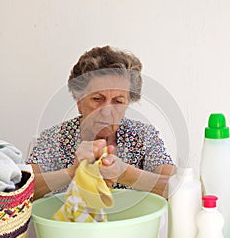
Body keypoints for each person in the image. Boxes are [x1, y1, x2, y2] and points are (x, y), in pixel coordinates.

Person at [27, 46, 175, 200]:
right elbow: (18, 190)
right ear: (79, 101)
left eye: (118, 101)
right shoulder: (55, 138)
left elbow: (177, 188)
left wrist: (125, 174)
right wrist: (74, 172)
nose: (106, 111)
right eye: (97, 99)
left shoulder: (143, 136)